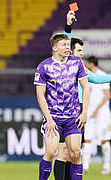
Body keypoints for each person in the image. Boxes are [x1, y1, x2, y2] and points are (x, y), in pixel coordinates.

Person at [53, 10, 111, 180]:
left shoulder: (79, 66)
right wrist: (68, 24)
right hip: (63, 110)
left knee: (74, 152)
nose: (82, 53)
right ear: (70, 51)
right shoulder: (65, 62)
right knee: (63, 151)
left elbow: (96, 78)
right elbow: (66, 41)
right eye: (79, 50)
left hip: (77, 109)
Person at [34, 31, 89, 180]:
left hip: (73, 118)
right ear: (54, 48)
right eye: (63, 45)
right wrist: (49, 119)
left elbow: (86, 87)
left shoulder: (77, 63)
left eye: (68, 45)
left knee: (76, 153)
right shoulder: (44, 67)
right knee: (51, 152)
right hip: (54, 118)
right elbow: (40, 95)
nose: (67, 47)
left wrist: (84, 112)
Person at [83, 56, 111, 175]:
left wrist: (97, 109)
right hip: (89, 112)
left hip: (102, 114)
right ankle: (85, 166)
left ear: (91, 64)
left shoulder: (102, 75)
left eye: (86, 63)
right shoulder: (86, 76)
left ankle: (107, 166)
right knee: (87, 139)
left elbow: (107, 95)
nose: (84, 64)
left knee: (104, 140)